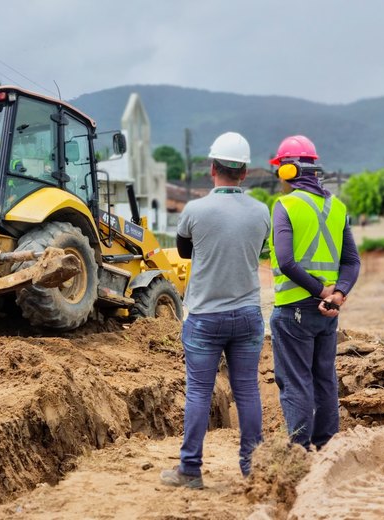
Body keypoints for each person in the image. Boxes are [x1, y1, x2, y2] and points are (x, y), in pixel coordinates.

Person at [160, 132, 271, 489]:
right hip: (248, 315)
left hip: (205, 318)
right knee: (248, 392)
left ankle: (189, 470)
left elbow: (185, 250)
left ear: (212, 169)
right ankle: (253, 468)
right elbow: (259, 248)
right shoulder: (260, 211)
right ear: (244, 173)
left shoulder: (195, 210)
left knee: (198, 393)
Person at [267, 135, 360, 451]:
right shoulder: (337, 207)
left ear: (288, 172)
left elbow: (285, 261)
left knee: (296, 382)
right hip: (328, 310)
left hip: (294, 308)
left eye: (280, 168)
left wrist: (321, 291)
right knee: (324, 379)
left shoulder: (286, 205)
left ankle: (299, 448)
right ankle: (327, 447)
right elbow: (351, 261)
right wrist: (338, 295)